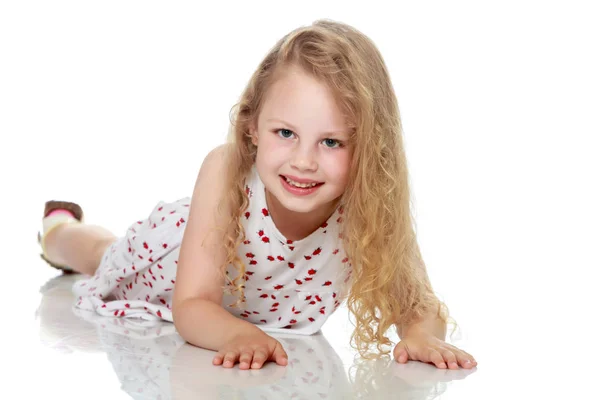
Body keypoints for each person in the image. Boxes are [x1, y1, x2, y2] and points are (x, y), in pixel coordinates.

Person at [37, 19, 477, 371]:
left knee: (100, 251)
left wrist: (421, 334)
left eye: (332, 142)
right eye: (285, 133)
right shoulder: (225, 167)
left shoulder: (370, 206)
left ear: (370, 149)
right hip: (167, 259)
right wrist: (235, 335)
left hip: (221, 294)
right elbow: (192, 305)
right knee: (99, 253)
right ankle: (58, 227)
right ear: (252, 126)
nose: (304, 161)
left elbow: (417, 300)